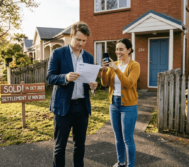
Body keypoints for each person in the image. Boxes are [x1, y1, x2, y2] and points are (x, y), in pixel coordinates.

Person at [46, 21, 98, 167]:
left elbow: (88, 80)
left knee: (80, 145)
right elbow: (50, 77)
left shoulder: (88, 57)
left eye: (84, 41)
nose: (81, 43)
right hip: (63, 107)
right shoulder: (58, 53)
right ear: (71, 36)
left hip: (82, 106)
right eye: (78, 39)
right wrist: (65, 77)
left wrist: (92, 85)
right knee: (60, 146)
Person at [101, 38, 140, 167]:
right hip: (114, 104)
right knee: (118, 138)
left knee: (128, 139)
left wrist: (116, 69)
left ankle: (130, 165)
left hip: (128, 106)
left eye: (121, 49)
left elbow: (129, 84)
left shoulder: (134, 65)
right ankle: (121, 163)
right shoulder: (114, 64)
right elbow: (105, 83)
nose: (118, 52)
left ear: (129, 50)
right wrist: (103, 71)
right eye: (117, 49)